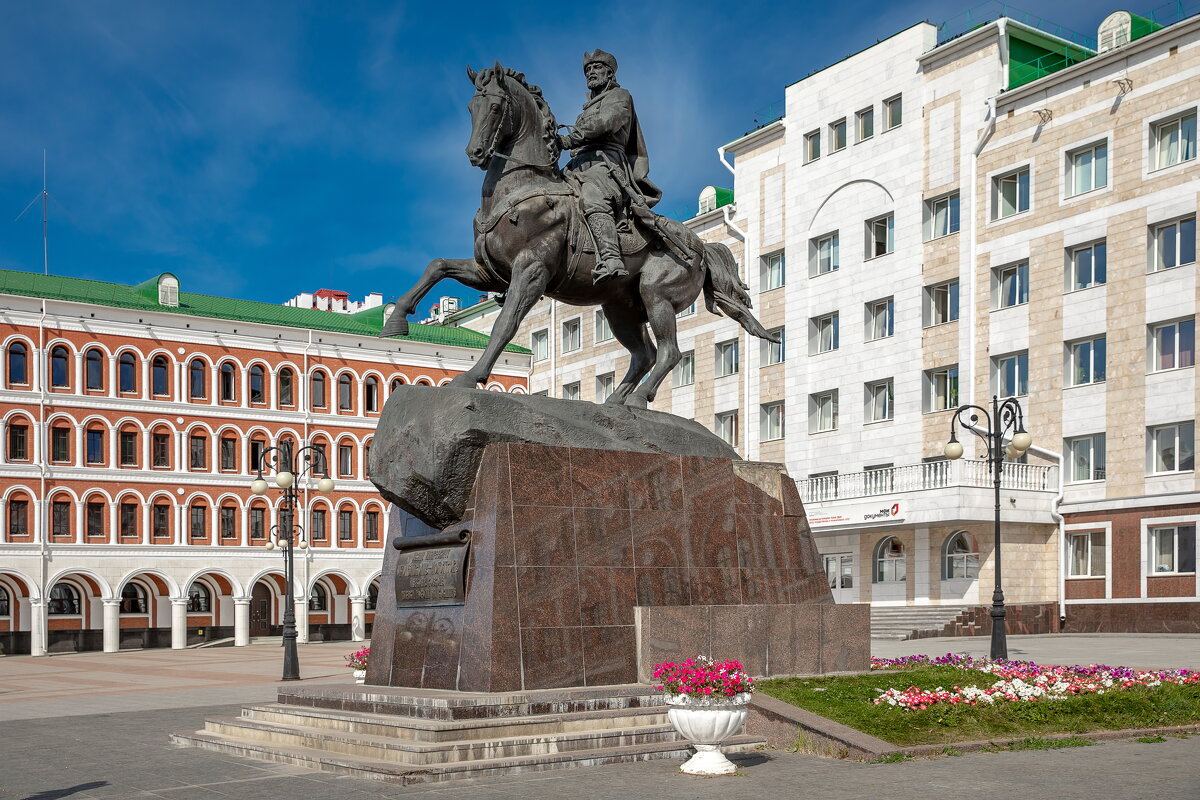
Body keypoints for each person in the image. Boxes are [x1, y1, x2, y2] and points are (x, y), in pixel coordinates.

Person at [559, 50, 662, 283]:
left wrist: (570, 138)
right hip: (578, 164)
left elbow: (607, 122)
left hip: (605, 163)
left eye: (596, 68)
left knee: (592, 194)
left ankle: (611, 257)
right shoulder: (584, 109)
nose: (591, 73)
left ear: (609, 72)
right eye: (588, 69)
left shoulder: (620, 96)